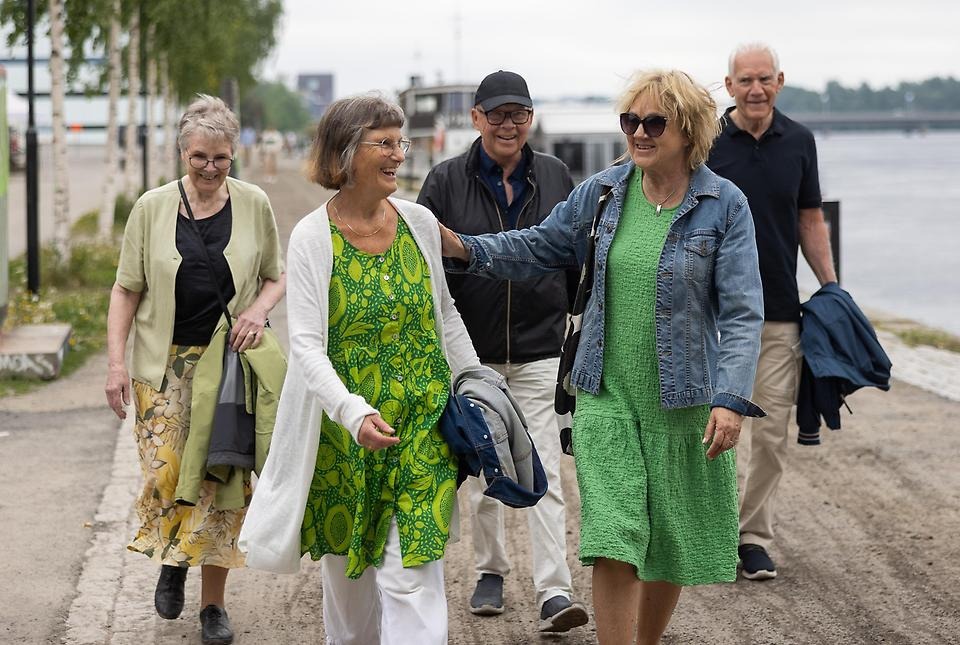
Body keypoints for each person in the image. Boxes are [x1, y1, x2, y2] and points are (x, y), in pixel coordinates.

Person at [440, 69, 765, 644]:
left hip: (683, 402)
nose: (638, 132)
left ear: (689, 130)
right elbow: (539, 245)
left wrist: (731, 400)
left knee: (669, 541)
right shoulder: (605, 191)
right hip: (604, 395)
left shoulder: (725, 206)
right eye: (630, 121)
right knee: (613, 536)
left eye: (653, 122)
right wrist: (463, 245)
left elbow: (741, 313)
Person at [238, 95, 482, 644]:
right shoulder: (311, 238)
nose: (399, 154)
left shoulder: (419, 222)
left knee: (413, 580)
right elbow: (305, 344)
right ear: (346, 155)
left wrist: (476, 383)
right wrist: (352, 412)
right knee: (350, 604)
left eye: (403, 143)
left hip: (423, 431)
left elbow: (446, 318)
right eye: (386, 143)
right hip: (346, 438)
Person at [104, 94, 285, 645]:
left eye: (221, 159)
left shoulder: (254, 204)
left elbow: (275, 276)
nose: (210, 168)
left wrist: (257, 311)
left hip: (227, 366)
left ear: (234, 156)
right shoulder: (151, 207)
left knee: (221, 482)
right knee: (165, 475)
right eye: (199, 157)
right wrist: (115, 365)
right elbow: (124, 289)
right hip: (162, 367)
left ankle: (212, 607)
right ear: (183, 153)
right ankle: (174, 560)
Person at [417, 69, 588, 633]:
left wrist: (570, 319)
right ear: (475, 118)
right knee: (487, 463)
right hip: (473, 352)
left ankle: (554, 590)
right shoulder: (444, 181)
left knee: (543, 467)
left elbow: (575, 256)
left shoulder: (558, 176)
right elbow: (426, 270)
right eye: (496, 113)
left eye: (517, 113)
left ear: (531, 117)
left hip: (540, 347)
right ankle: (490, 570)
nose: (507, 124)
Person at [707, 42, 838, 581]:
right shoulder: (708, 141)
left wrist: (832, 290)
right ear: (729, 84)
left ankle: (753, 537)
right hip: (711, 314)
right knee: (709, 426)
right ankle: (710, 531)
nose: (756, 89)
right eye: (745, 80)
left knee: (772, 433)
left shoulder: (800, 142)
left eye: (765, 79)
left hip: (780, 310)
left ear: (779, 81)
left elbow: (811, 218)